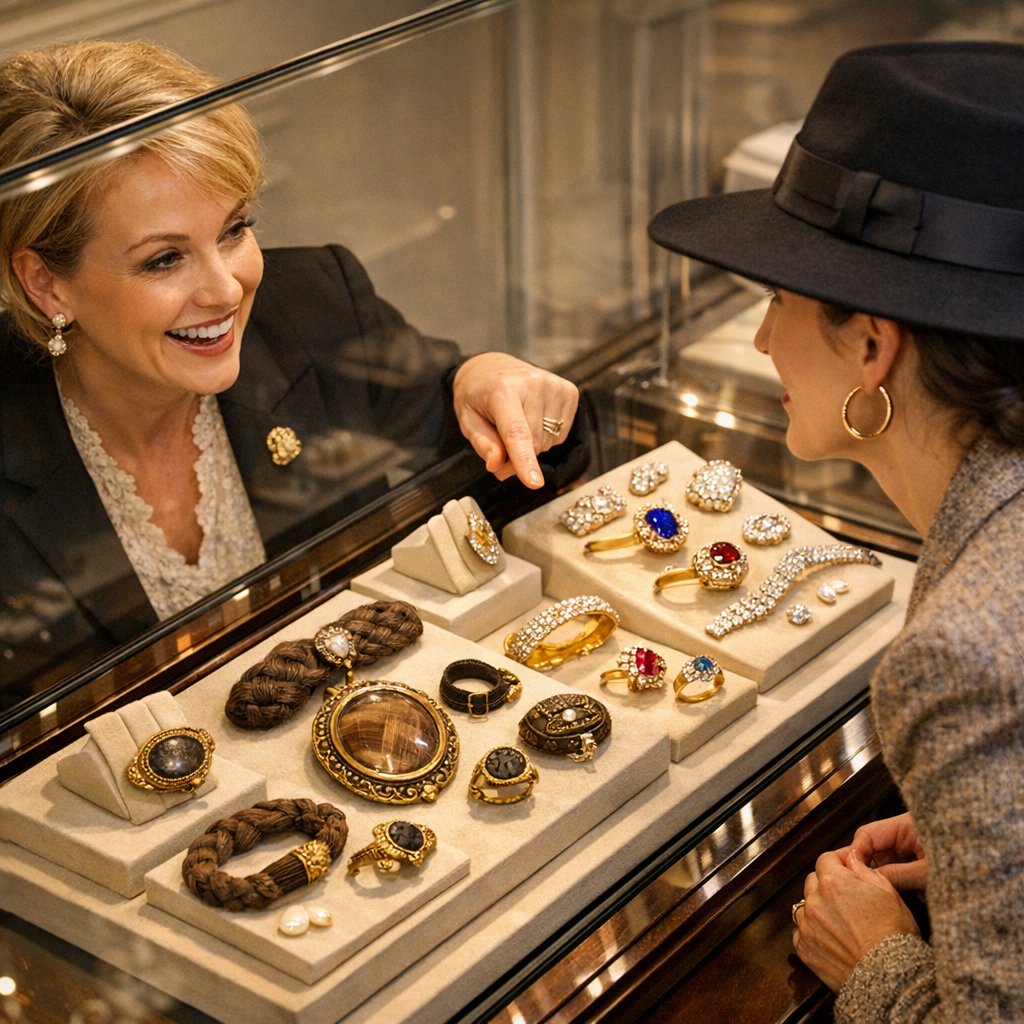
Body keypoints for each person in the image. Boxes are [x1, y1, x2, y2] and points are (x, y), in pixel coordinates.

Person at [0, 40, 585, 702]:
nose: (226, 289)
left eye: (233, 230)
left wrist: (490, 379)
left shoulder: (315, 308)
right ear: (46, 284)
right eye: (165, 259)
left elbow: (519, 467)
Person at [648, 41, 1024, 1022]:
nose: (764, 338)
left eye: (778, 297)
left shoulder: (964, 658)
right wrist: (984, 842)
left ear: (870, 345)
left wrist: (877, 961)